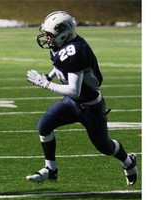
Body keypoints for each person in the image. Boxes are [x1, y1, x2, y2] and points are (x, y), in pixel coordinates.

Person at [26, 11, 138, 186]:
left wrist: (45, 84)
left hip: (90, 107)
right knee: (44, 125)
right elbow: (59, 66)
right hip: (72, 104)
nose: (47, 39)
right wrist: (49, 76)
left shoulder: (75, 52)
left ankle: (128, 161)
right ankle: (51, 169)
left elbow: (74, 90)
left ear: (63, 33)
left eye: (49, 35)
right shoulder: (64, 45)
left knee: (105, 147)